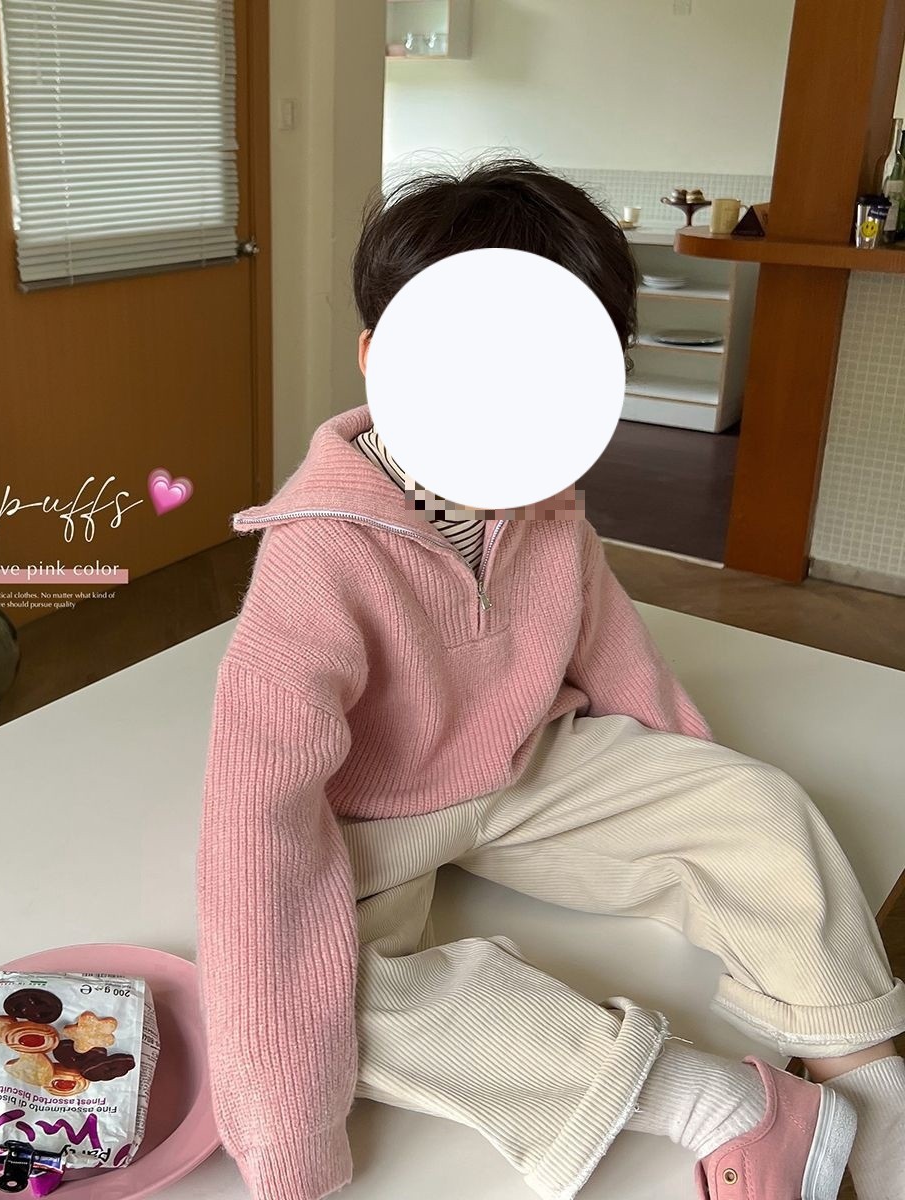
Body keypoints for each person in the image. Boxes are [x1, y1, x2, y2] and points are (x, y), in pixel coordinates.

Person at [195, 156, 905, 1200]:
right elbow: (255, 818)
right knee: (323, 1004)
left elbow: (610, 647)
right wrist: (286, 1153)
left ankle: (869, 1086)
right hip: (374, 818)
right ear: (381, 358)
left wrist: (689, 796)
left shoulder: (548, 501)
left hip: (531, 764)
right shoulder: (317, 555)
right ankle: (715, 1102)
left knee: (761, 809)